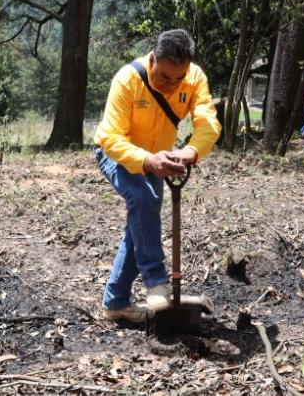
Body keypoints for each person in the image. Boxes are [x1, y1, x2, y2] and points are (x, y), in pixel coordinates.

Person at [94, 29, 221, 322]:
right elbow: (112, 138)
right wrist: (148, 160)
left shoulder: (194, 78)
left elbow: (208, 123)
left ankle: (116, 303)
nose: (172, 86)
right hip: (117, 153)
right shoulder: (127, 80)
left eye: (179, 79)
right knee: (143, 198)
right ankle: (156, 282)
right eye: (165, 78)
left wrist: (191, 152)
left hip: (160, 158)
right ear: (153, 59)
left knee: (141, 222)